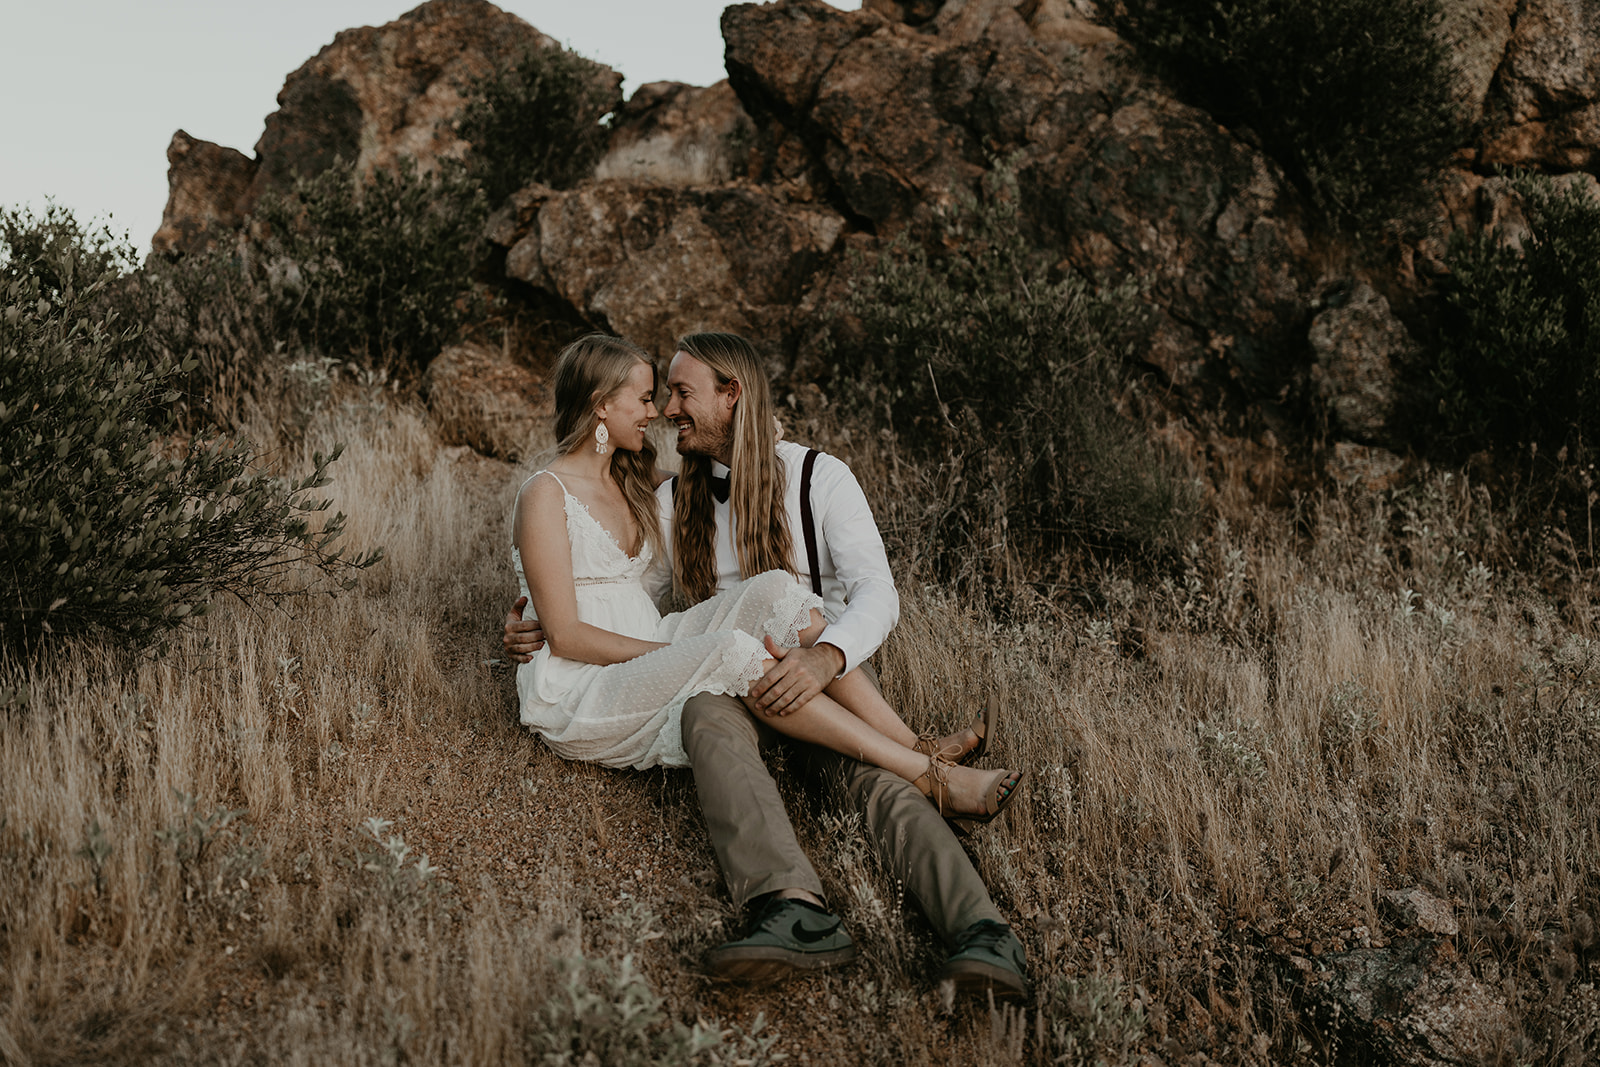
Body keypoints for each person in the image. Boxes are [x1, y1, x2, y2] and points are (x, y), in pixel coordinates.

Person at [507, 331, 1031, 1001]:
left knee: (869, 777)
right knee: (707, 712)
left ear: (734, 396)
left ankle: (979, 926)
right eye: (658, 395)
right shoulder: (670, 495)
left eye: (682, 393)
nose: (668, 410)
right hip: (719, 679)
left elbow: (878, 593)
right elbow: (583, 575)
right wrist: (526, 623)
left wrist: (826, 656)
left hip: (819, 672)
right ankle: (789, 906)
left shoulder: (818, 476)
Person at [513, 333, 1022, 802]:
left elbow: (713, 480)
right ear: (602, 404)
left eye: (668, 395)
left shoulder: (635, 479)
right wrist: (537, 619)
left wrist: (753, 440)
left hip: (655, 642)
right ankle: (930, 777)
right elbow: (568, 631)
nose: (660, 411)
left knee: (776, 590)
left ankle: (920, 745)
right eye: (647, 398)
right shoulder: (546, 493)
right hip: (588, 680)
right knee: (733, 649)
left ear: (730, 395)